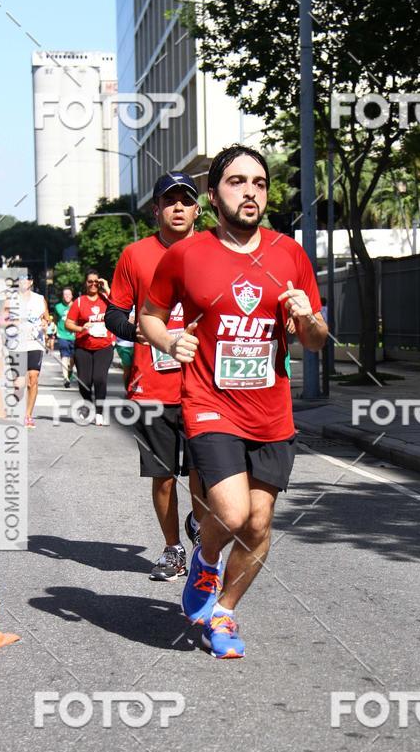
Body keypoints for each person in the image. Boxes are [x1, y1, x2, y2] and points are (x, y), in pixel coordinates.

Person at [141, 145, 328, 658]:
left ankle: (223, 612)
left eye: (260, 183)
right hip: (208, 402)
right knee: (229, 511)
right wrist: (167, 341)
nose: (250, 191)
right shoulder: (186, 254)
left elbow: (314, 339)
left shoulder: (289, 253)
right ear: (214, 193)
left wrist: (308, 317)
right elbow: (150, 314)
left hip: (271, 409)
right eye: (237, 181)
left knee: (259, 524)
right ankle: (204, 559)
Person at [106, 172, 204, 582]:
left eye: (186, 200)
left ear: (199, 209)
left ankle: (199, 524)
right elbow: (114, 314)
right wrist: (139, 331)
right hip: (153, 386)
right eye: (170, 201)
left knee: (207, 472)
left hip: (205, 383)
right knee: (162, 476)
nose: (178, 207)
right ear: (156, 210)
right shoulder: (135, 255)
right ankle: (172, 549)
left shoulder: (215, 250)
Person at [65, 270, 115, 426]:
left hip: (104, 346)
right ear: (85, 283)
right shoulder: (79, 302)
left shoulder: (107, 299)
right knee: (84, 382)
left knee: (99, 378)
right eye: (90, 281)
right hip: (83, 347)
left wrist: (107, 288)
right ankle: (88, 403)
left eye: (96, 282)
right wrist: (81, 328)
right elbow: (68, 324)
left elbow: (121, 305)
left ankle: (99, 412)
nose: (93, 284)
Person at [9, 273, 50, 428]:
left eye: (26, 279)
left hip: (35, 342)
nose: (23, 282)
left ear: (31, 282)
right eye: (20, 279)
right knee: (19, 383)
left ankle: (28, 415)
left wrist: (46, 324)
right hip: (16, 343)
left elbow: (46, 318)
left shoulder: (39, 299)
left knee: (33, 377)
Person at [54, 287, 76, 388]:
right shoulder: (58, 307)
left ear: (72, 296)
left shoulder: (76, 305)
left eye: (69, 294)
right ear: (62, 296)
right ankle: (66, 378)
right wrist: (54, 329)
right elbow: (55, 319)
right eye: (65, 294)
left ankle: (70, 370)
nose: (67, 296)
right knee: (64, 356)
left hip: (75, 336)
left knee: (72, 359)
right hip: (62, 334)